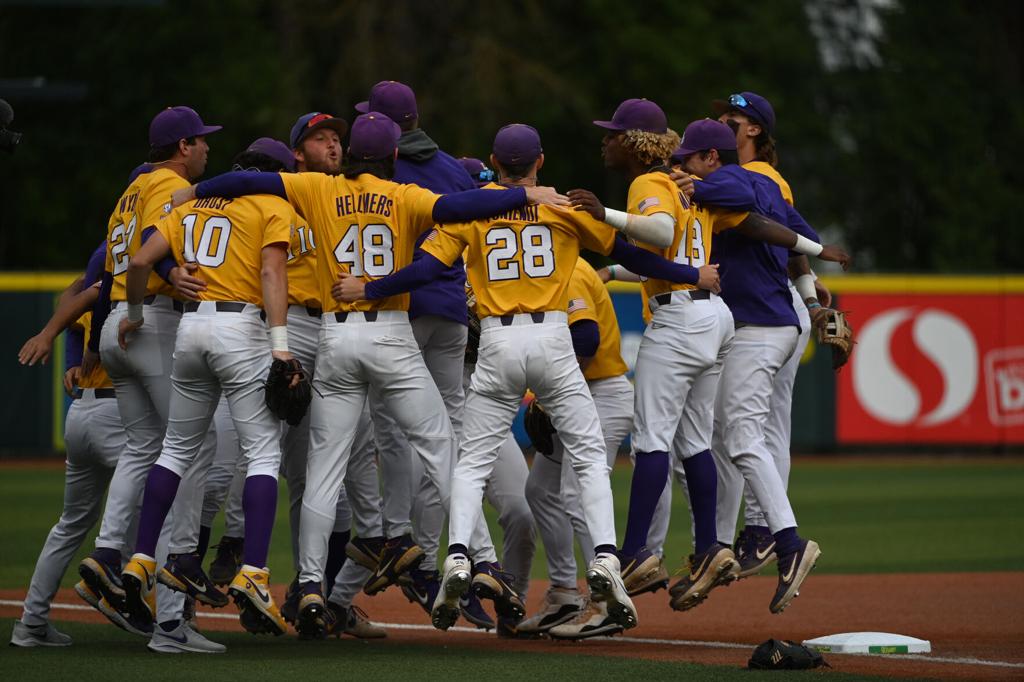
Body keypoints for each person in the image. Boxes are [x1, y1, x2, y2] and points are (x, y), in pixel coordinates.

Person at [179, 111, 565, 639]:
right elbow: (459, 206)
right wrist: (523, 197)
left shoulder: (315, 187)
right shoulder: (404, 193)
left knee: (324, 469)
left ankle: (311, 582)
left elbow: (247, 180)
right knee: (441, 450)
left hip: (336, 338)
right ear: (394, 156)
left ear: (352, 152)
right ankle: (482, 561)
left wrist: (195, 191)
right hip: (389, 334)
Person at [334, 122, 719, 634]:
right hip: (553, 339)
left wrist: (370, 287)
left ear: (493, 161)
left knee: (471, 462)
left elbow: (425, 269)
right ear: (541, 161)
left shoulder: (475, 208)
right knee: (585, 457)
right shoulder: (561, 205)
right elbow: (628, 253)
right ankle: (605, 558)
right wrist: (692, 275)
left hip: (497, 340)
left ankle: (455, 557)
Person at [118, 138, 300, 651]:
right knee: (263, 452)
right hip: (239, 327)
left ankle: (142, 558)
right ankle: (254, 574)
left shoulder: (193, 203)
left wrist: (133, 315)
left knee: (175, 449)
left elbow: (138, 262)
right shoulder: (271, 203)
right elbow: (270, 272)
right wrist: (281, 348)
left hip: (190, 330)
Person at [77, 107, 221, 638]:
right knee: (190, 450)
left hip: (118, 323)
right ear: (182, 146)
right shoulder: (165, 183)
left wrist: (97, 338)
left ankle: (108, 554)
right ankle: (170, 596)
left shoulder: (130, 189)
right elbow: (146, 254)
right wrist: (158, 287)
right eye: (201, 140)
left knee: (144, 450)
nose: (207, 148)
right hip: (148, 322)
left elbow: (111, 266)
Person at [711, 91, 830, 578]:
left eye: (733, 118)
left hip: (767, 312)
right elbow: (798, 252)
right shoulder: (761, 178)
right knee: (760, 429)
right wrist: (810, 298)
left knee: (744, 431)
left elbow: (793, 244)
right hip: (781, 307)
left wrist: (807, 295)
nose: (723, 121)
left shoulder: (757, 177)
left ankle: (760, 531)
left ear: (754, 129)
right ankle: (758, 530)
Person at [10, 246, 124, 647]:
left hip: (81, 415)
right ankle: (162, 622)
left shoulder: (95, 291)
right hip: (120, 416)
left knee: (70, 524)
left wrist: (74, 355)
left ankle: (31, 623)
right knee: (165, 509)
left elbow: (68, 302)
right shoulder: (131, 293)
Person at [520, 257, 635, 639]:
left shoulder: (566, 269)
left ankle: (605, 602)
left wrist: (554, 395)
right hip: (580, 391)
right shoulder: (549, 264)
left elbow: (586, 339)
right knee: (539, 490)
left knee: (576, 492)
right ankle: (565, 592)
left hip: (600, 394)